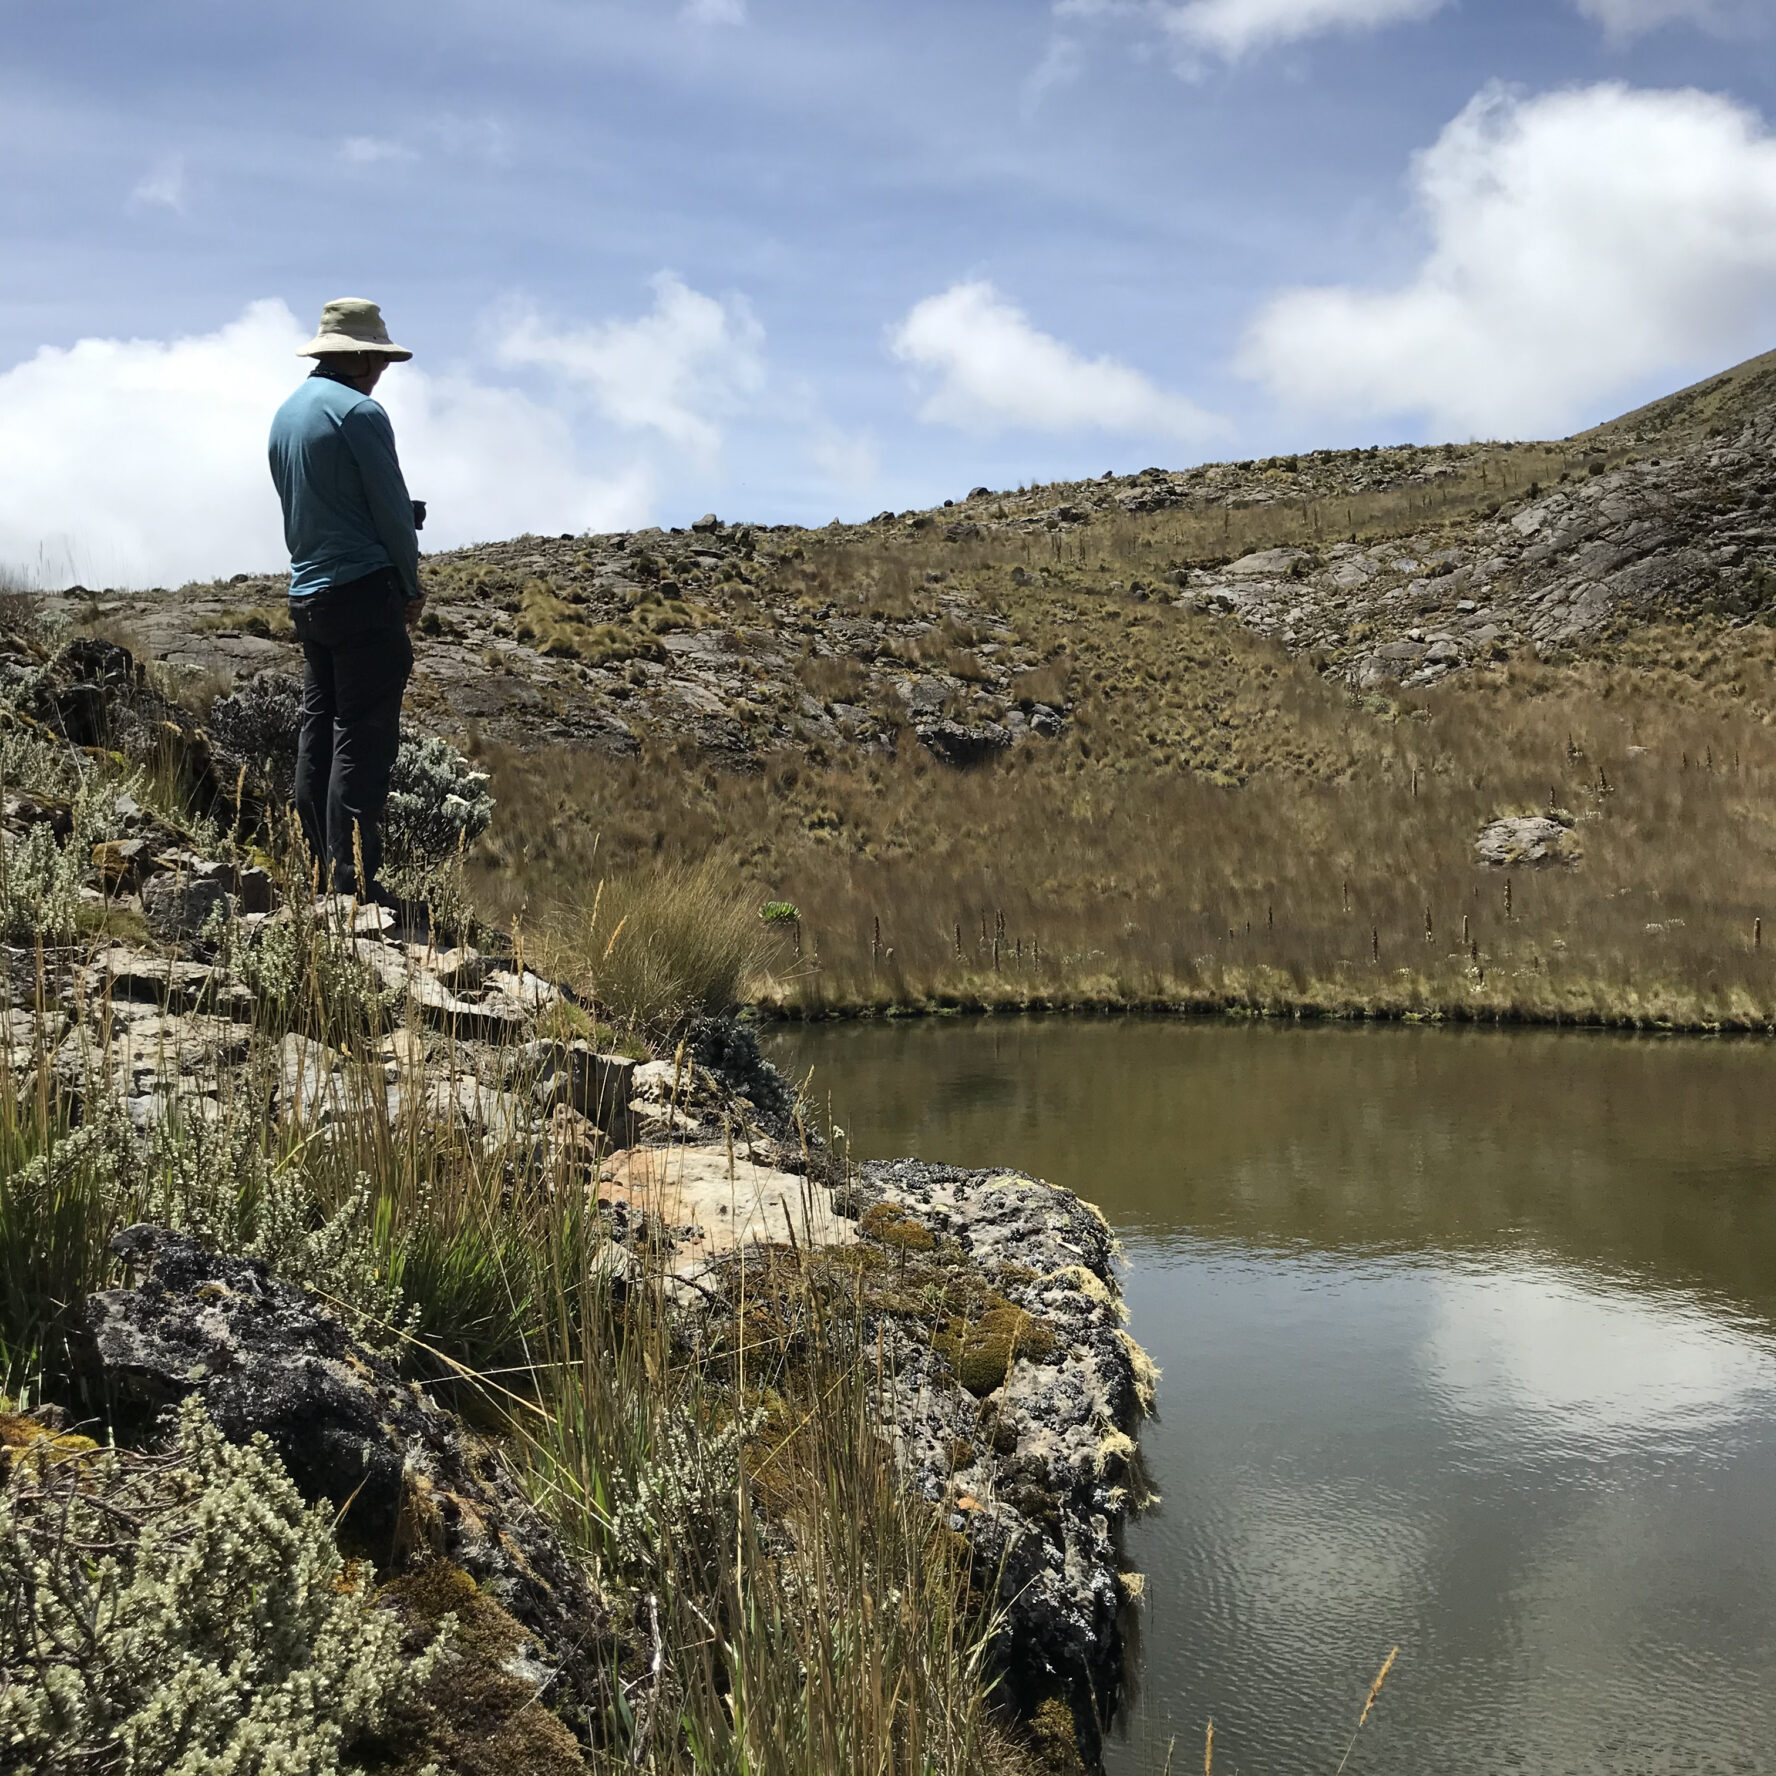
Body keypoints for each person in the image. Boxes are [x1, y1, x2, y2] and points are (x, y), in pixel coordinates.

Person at [268, 297, 425, 903]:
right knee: (363, 734)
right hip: (365, 595)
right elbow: (389, 509)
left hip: (308, 595)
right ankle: (353, 880)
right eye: (378, 359)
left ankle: (314, 870)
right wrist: (409, 586)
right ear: (357, 356)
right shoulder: (361, 414)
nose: (383, 371)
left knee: (319, 730)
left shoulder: (286, 415)